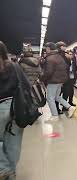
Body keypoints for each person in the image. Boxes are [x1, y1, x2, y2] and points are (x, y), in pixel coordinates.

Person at [0, 41, 23, 180]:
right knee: (13, 143)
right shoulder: (14, 66)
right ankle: (11, 173)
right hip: (16, 107)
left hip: (1, 106)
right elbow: (25, 85)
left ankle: (4, 168)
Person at [41, 42, 76, 121]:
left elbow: (48, 72)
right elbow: (66, 67)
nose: (46, 50)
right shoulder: (59, 57)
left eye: (46, 48)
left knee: (50, 98)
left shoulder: (50, 58)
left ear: (49, 48)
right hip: (60, 81)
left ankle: (55, 116)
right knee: (57, 97)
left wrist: (42, 79)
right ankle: (70, 107)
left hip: (53, 81)